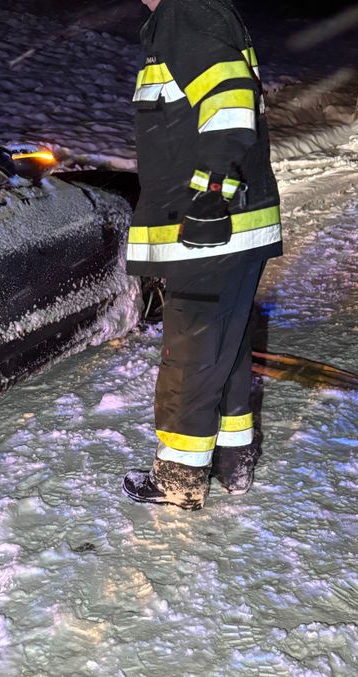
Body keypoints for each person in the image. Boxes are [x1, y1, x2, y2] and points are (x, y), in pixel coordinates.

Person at [123, 0, 282, 510]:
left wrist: (210, 193)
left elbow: (231, 103)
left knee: (191, 352)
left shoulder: (185, 12)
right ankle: (233, 461)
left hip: (208, 228)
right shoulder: (204, 12)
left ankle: (180, 477)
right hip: (232, 226)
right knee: (225, 347)